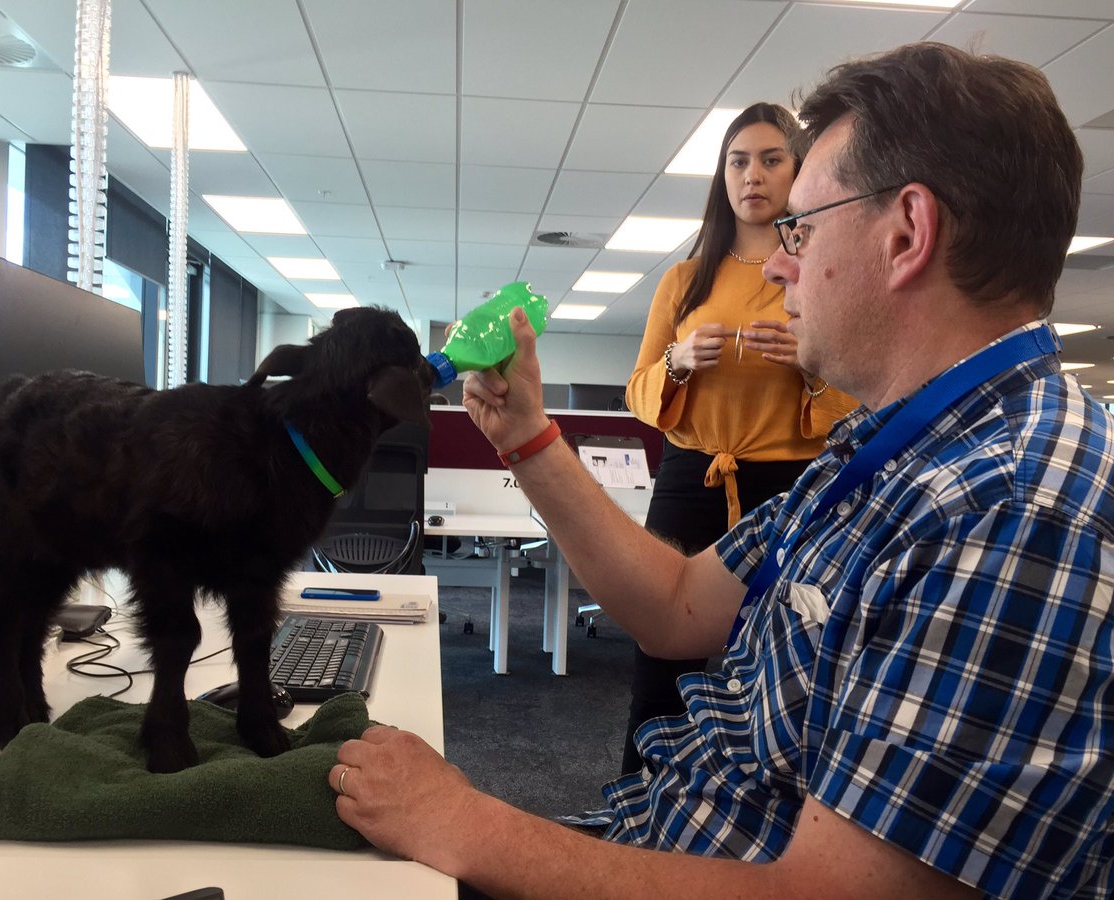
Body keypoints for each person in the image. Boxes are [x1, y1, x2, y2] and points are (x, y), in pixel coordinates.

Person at [329, 42, 1111, 898]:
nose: (777, 263)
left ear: (907, 233)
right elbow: (675, 609)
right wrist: (526, 439)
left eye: (801, 227)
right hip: (657, 831)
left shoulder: (1014, 508)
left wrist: (465, 822)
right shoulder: (887, 454)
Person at [622, 102, 856, 775]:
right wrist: (677, 363)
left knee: (786, 658)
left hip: (790, 484)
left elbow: (857, 402)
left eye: (771, 159)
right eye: (738, 161)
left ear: (799, 170)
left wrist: (811, 370)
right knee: (662, 656)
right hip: (692, 477)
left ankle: (767, 807)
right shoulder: (683, 280)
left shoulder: (822, 278)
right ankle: (642, 798)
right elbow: (640, 395)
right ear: (721, 176)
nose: (753, 175)